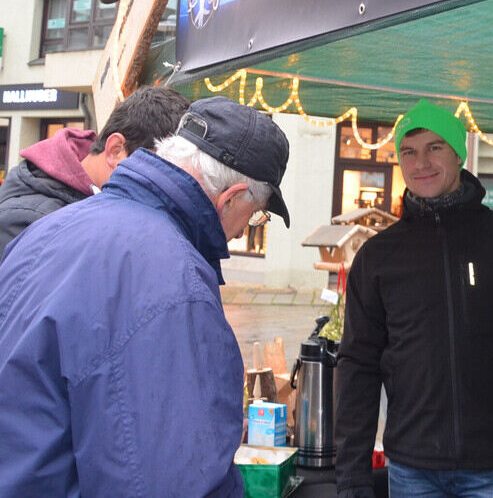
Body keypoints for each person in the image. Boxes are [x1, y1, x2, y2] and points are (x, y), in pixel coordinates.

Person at [0, 96, 290, 497]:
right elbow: (177, 479)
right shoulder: (176, 281)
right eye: (256, 214)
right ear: (229, 198)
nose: (244, 231)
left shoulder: (49, 229)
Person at [336, 99, 493, 498]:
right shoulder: (379, 257)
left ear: (459, 154)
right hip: (414, 469)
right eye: (408, 152)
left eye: (435, 148)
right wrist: (352, 476)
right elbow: (357, 367)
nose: (420, 163)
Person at [0, 85, 191, 256]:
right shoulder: (27, 222)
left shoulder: (97, 207)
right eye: (155, 173)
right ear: (115, 150)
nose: (160, 189)